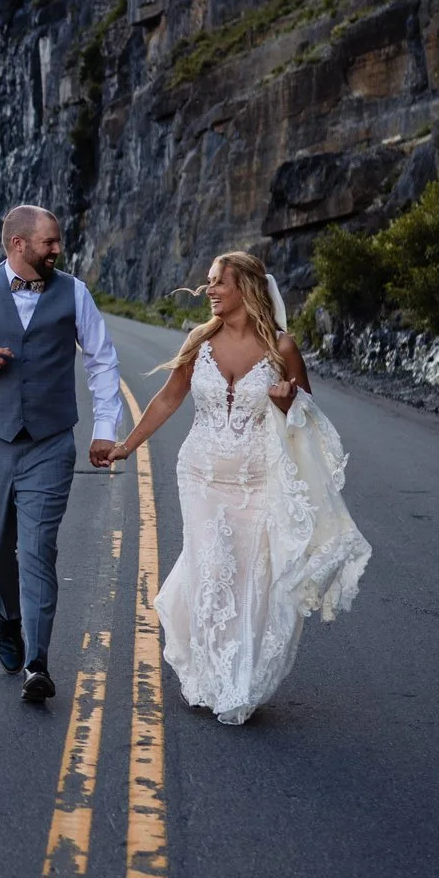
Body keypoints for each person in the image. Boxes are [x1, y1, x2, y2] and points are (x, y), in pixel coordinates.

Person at [103, 250, 370, 725]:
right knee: (211, 569)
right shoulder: (199, 340)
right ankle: (208, 675)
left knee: (250, 580)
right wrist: (127, 445)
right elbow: (168, 398)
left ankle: (240, 678)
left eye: (217, 283)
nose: (208, 291)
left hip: (258, 480)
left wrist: (287, 402)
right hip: (201, 476)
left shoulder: (281, 349)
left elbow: (305, 417)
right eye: (208, 283)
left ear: (244, 287)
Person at [0, 205, 123, 703]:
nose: (58, 250)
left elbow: (101, 361)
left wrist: (103, 429)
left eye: (57, 242)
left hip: (51, 443)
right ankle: (9, 616)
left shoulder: (74, 292)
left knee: (38, 550)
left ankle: (38, 662)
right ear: (18, 244)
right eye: (49, 242)